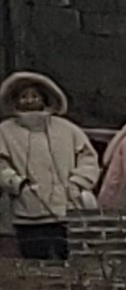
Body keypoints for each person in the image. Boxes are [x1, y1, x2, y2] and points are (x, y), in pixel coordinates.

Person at [0, 72, 100, 261]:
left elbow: (88, 157)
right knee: (35, 264)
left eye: (34, 95)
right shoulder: (5, 131)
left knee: (68, 262)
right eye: (24, 96)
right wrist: (16, 183)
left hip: (66, 212)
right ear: (15, 100)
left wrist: (77, 183)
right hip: (27, 215)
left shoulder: (67, 129)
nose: (30, 100)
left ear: (44, 98)